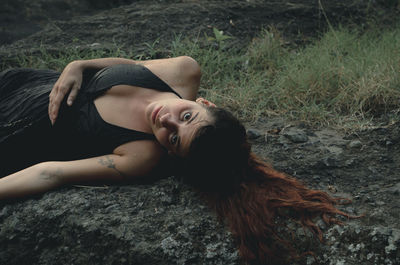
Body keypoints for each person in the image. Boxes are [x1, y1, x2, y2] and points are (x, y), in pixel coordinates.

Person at [0, 56, 353, 264]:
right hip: (22, 84)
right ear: (206, 104)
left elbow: (51, 173)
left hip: (14, 136)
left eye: (173, 137)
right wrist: (79, 65)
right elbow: (127, 64)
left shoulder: (141, 156)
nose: (164, 120)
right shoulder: (184, 72)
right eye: (186, 117)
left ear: (170, 152)